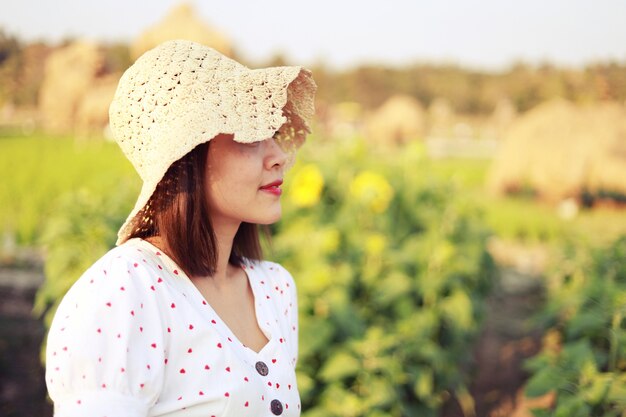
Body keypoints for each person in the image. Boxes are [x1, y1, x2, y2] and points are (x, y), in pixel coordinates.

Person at [45, 39, 316, 417]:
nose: (279, 157)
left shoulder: (274, 288)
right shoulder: (125, 290)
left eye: (270, 132)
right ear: (188, 155)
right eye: (250, 134)